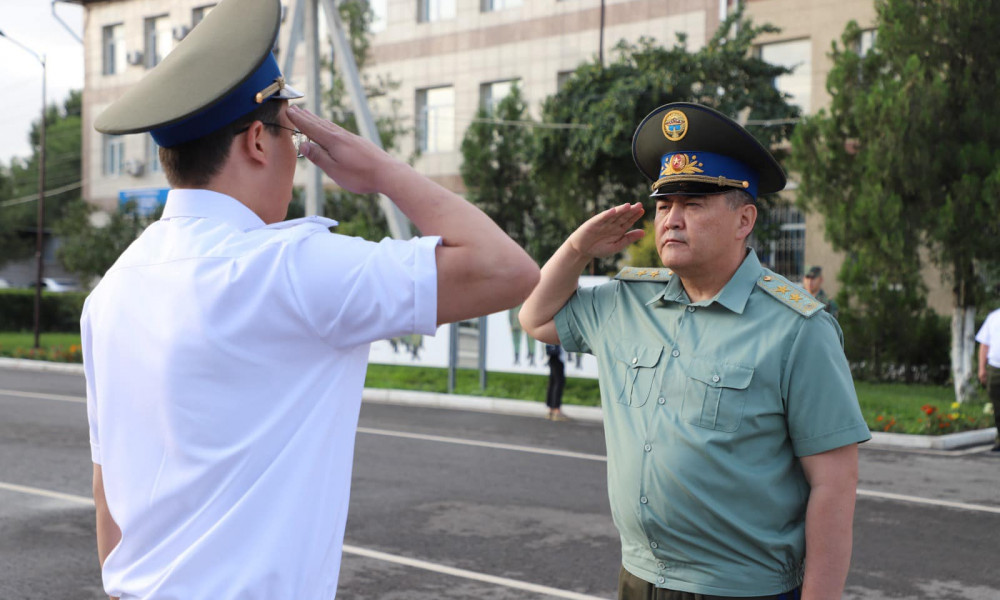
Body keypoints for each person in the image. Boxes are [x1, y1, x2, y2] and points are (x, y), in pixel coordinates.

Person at [82, 0, 539, 598]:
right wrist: (380, 170)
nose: (296, 162)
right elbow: (507, 270)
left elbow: (106, 490)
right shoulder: (287, 268)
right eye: (292, 138)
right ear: (256, 141)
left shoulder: (113, 289)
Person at [519, 102, 871, 600]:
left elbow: (835, 484)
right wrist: (577, 249)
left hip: (741, 590)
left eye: (694, 204)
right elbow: (535, 318)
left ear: (744, 219)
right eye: (664, 206)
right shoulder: (628, 302)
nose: (672, 220)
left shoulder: (798, 328)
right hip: (639, 578)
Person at [976, 307, 1000, 451]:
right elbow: (984, 344)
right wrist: (981, 368)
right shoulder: (993, 317)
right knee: (997, 407)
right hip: (995, 368)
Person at [545, 343, 568, 420]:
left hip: (552, 353)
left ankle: (551, 409)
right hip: (557, 355)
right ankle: (556, 410)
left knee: (553, 381)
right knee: (558, 382)